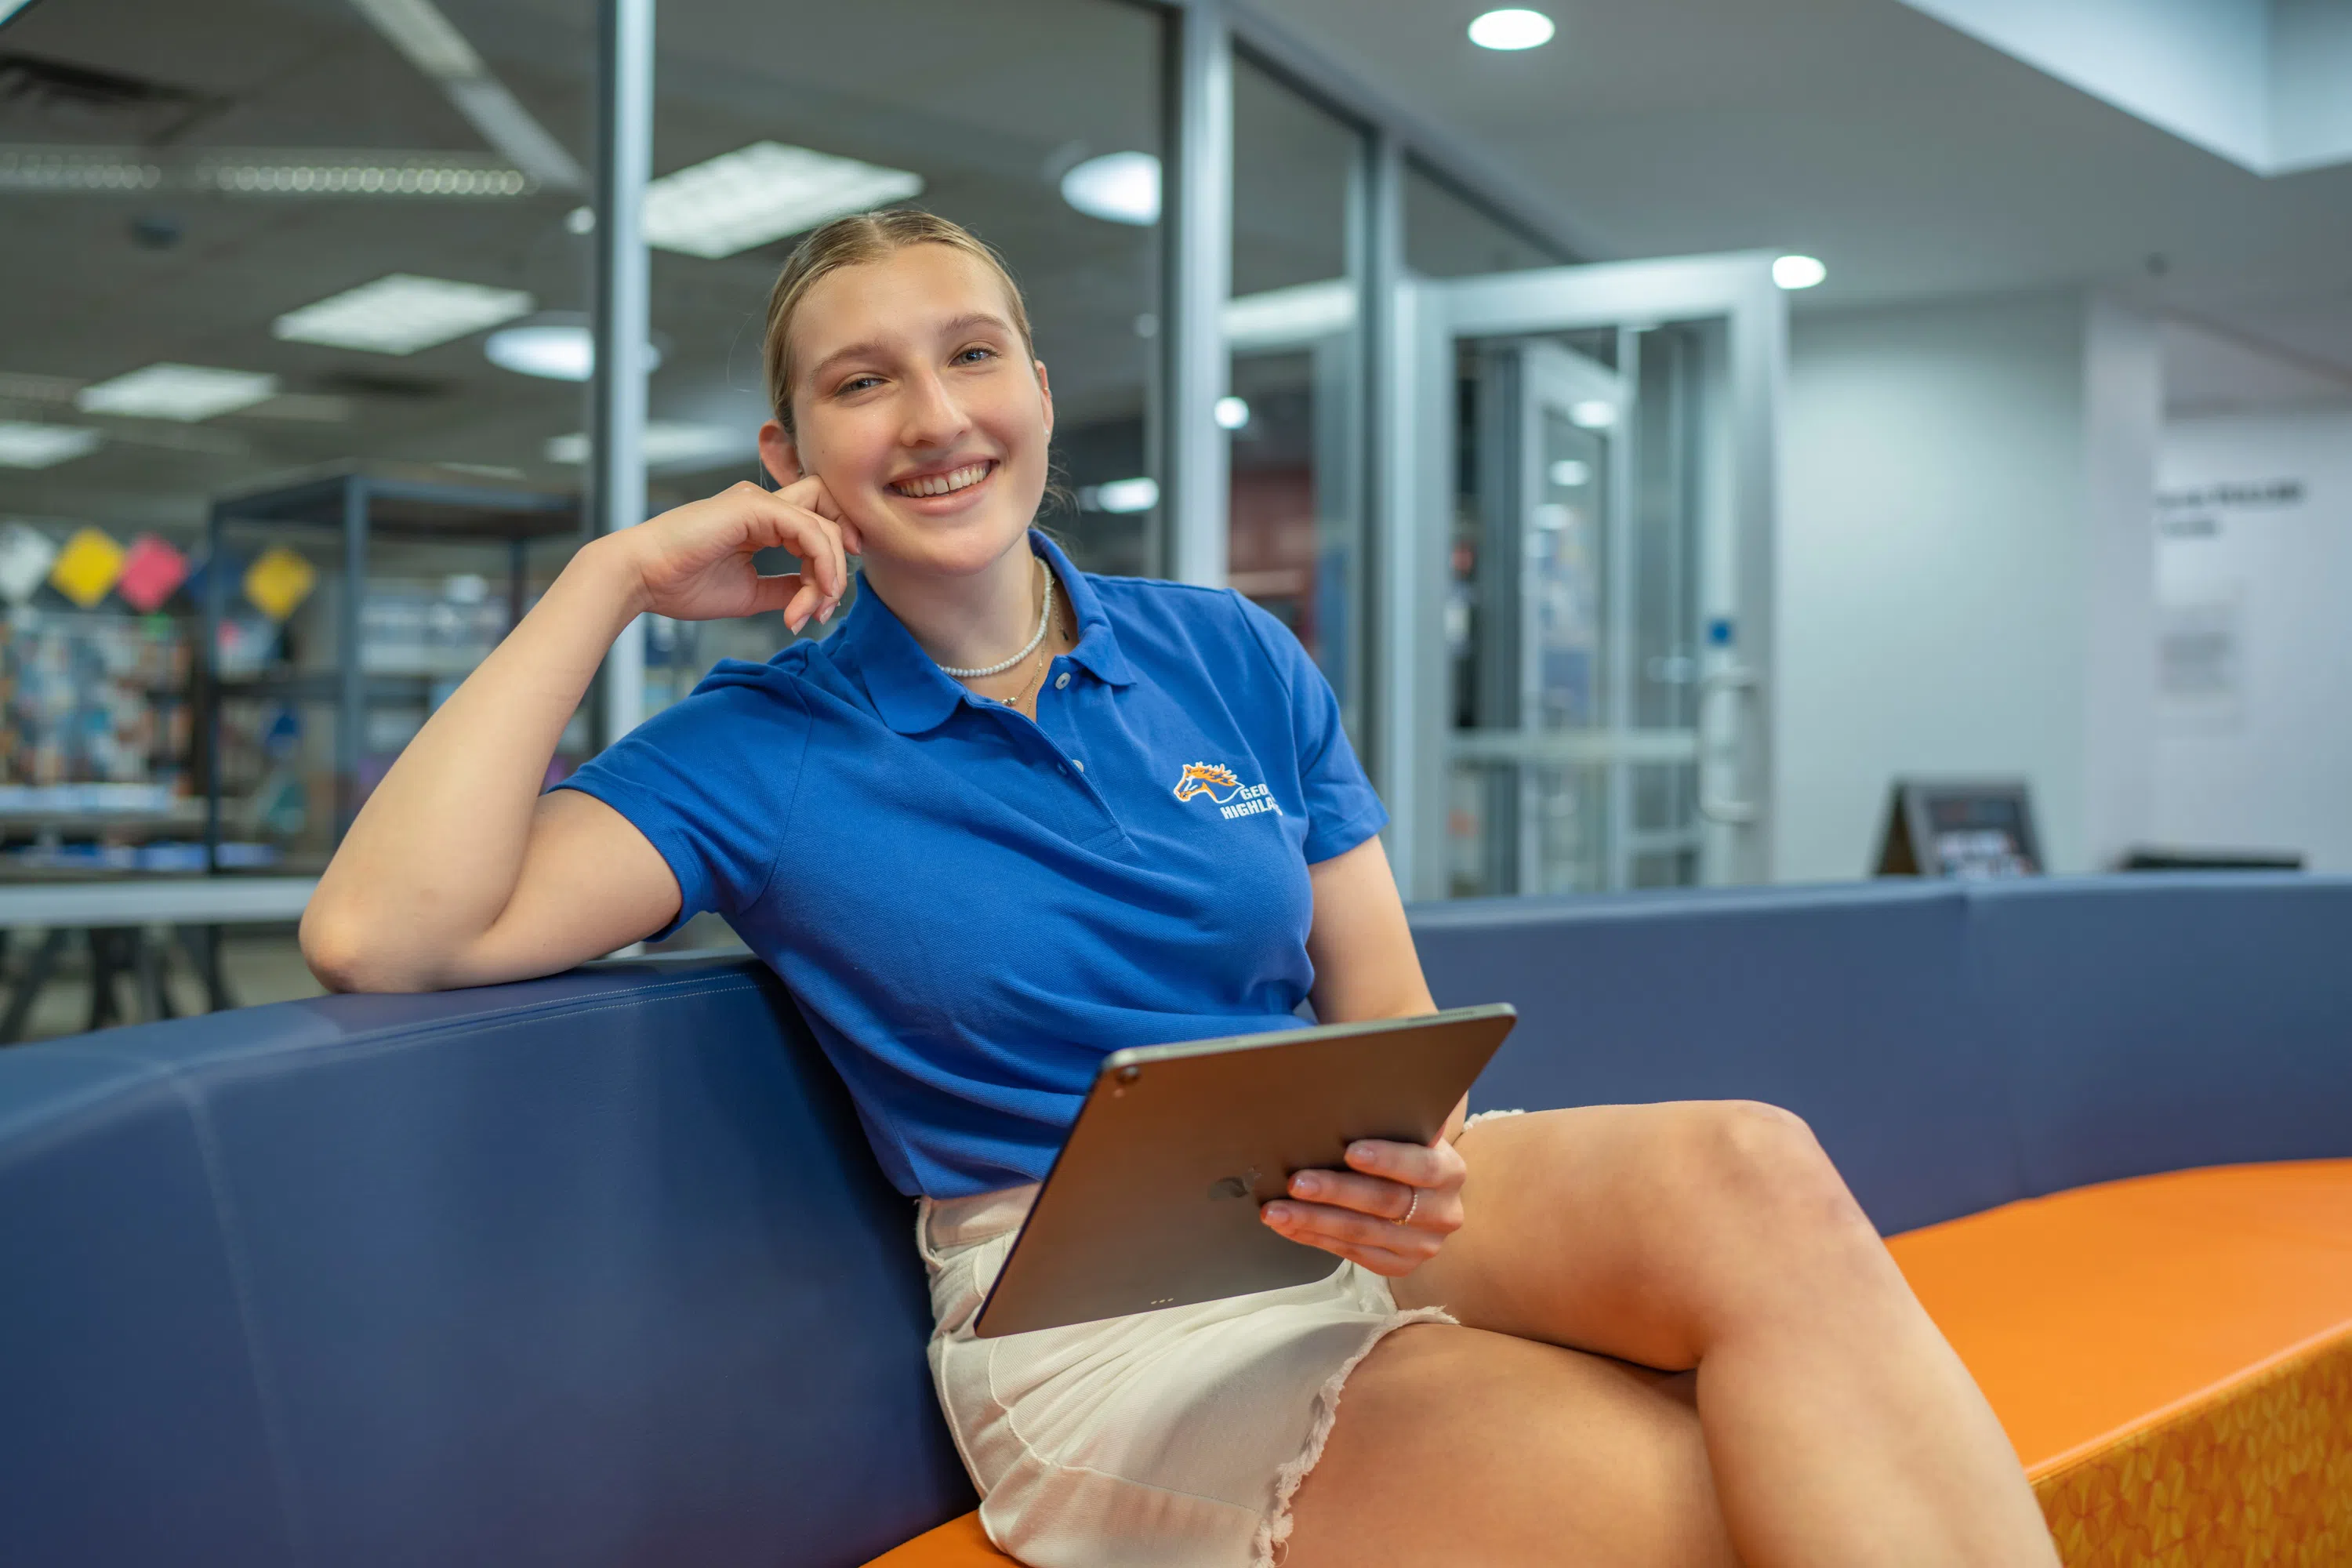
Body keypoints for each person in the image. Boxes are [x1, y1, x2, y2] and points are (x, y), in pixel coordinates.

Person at [302, 209, 2059, 1568]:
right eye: (862, 384)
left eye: (971, 355)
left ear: (1039, 394)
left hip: (1332, 1214)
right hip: (1099, 1329)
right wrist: (607, 580)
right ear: (791, 457)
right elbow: (382, 931)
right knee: (1720, 1496)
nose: (934, 419)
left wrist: (1418, 1168)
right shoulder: (756, 743)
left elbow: (1387, 1021)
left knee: (1753, 1164)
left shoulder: (1224, 651)